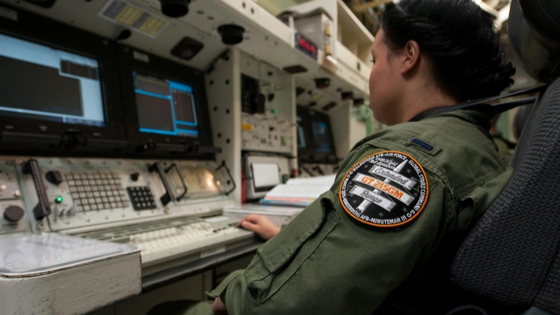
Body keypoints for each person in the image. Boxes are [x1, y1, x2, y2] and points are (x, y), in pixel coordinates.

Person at [152, 0, 516, 313]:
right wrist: (292, 241)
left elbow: (279, 307)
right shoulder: (479, 147)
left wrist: (233, 295)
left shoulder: (407, 156)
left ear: (408, 56)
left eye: (374, 60)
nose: (371, 76)